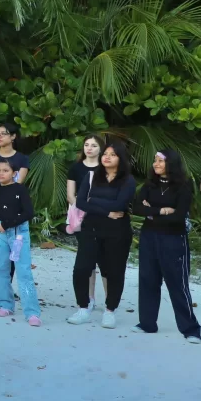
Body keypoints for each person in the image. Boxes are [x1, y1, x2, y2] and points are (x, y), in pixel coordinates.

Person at [131, 150, 201, 343]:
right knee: (148, 280)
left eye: (160, 160)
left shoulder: (183, 186)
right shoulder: (149, 184)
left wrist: (150, 212)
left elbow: (179, 216)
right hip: (149, 237)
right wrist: (160, 211)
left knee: (177, 284)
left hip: (173, 239)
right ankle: (147, 323)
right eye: (155, 160)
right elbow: (137, 208)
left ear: (171, 163)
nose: (156, 164)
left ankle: (191, 329)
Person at [69, 142, 137, 329]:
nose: (107, 157)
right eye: (105, 153)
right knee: (81, 269)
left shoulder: (128, 180)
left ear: (120, 159)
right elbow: (81, 202)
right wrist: (106, 210)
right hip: (91, 228)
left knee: (114, 271)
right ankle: (83, 307)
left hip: (117, 231)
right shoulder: (92, 176)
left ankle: (110, 310)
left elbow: (120, 204)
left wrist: (95, 200)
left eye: (112, 154)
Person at [0, 159, 41, 326]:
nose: (1, 173)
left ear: (14, 173)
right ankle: (5, 304)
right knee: (0, 269)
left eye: (5, 170)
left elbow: (28, 212)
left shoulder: (20, 189)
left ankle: (32, 312)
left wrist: (8, 224)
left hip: (18, 233)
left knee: (23, 270)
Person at [0, 122, 29, 297]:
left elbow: (18, 183)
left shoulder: (22, 159)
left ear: (13, 136)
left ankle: (6, 289)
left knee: (12, 249)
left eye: (4, 133)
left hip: (14, 208)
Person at [67, 135, 108, 310]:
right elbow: (70, 194)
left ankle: (109, 299)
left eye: (93, 145)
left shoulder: (105, 168)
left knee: (105, 259)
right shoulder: (76, 168)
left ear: (101, 149)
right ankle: (90, 298)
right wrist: (82, 207)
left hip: (103, 216)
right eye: (86, 145)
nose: (89, 148)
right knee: (87, 258)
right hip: (81, 217)